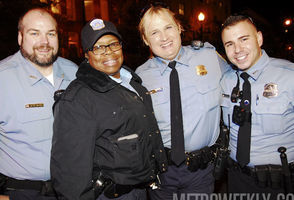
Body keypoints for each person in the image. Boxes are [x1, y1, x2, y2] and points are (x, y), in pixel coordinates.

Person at [50, 18, 168, 200]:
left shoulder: (133, 83)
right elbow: (69, 172)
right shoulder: (78, 98)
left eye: (113, 44)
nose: (109, 52)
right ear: (86, 55)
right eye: (98, 47)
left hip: (142, 189)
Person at [135, 4, 228, 200]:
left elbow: (240, 81)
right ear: (145, 40)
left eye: (168, 27)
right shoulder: (140, 77)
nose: (164, 37)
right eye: (154, 32)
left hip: (201, 171)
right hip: (161, 173)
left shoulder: (210, 57)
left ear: (179, 27)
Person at [0, 8, 78, 200]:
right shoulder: (3, 78)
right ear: (20, 37)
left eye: (50, 34)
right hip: (23, 193)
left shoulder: (74, 73)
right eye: (34, 33)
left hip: (74, 189)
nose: (44, 42)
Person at [220, 14, 294, 199]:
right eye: (229, 44)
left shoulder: (289, 76)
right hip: (237, 180)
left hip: (280, 183)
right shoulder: (225, 80)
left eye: (244, 39)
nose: (237, 49)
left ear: (259, 38)